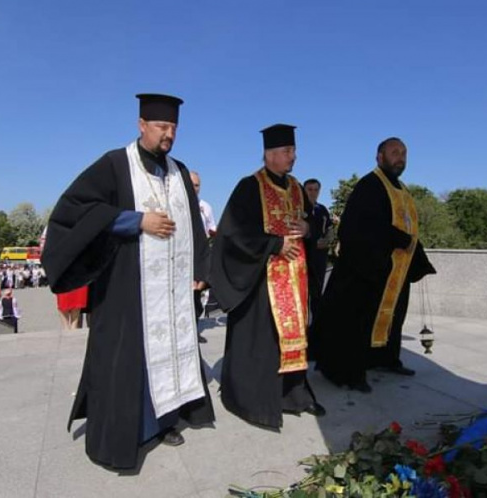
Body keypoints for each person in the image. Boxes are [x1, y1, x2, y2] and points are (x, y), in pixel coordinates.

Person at [41, 93, 214, 470]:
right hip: (126, 285)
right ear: (141, 125)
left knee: (169, 352)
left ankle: (167, 421)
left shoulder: (179, 171)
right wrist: (137, 221)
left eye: (173, 128)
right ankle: (130, 431)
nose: (168, 134)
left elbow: (195, 228)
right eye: (161, 127)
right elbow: (76, 212)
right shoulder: (115, 164)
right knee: (128, 358)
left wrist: (200, 270)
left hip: (172, 290)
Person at [210, 123, 325, 429]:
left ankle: (294, 394)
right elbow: (234, 233)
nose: (293, 157)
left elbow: (310, 222)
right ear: (269, 154)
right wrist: (274, 244)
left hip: (295, 279)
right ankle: (255, 400)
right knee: (264, 341)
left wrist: (307, 230)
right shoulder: (250, 186)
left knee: (295, 337)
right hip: (262, 280)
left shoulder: (298, 187)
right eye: (287, 151)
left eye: (294, 151)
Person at [313, 137, 436, 393]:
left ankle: (385, 359)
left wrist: (418, 256)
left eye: (403, 153)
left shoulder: (402, 189)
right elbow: (357, 227)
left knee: (394, 318)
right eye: (394, 152)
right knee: (358, 323)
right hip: (366, 270)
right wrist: (395, 238)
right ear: (379, 157)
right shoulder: (369, 185)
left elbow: (408, 230)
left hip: (394, 270)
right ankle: (349, 373)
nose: (400, 157)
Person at [302, 178, 334, 340]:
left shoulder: (322, 209)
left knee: (316, 295)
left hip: (319, 258)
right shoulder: (299, 209)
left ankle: (316, 334)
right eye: (309, 189)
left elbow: (329, 229)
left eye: (315, 189)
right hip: (303, 257)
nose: (313, 192)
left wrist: (328, 241)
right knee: (302, 296)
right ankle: (301, 331)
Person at [189, 170, 216, 339]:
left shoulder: (205, 207)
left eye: (197, 185)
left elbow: (211, 228)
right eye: (191, 184)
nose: (194, 188)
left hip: (200, 253)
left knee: (198, 292)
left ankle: (194, 328)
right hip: (182, 253)